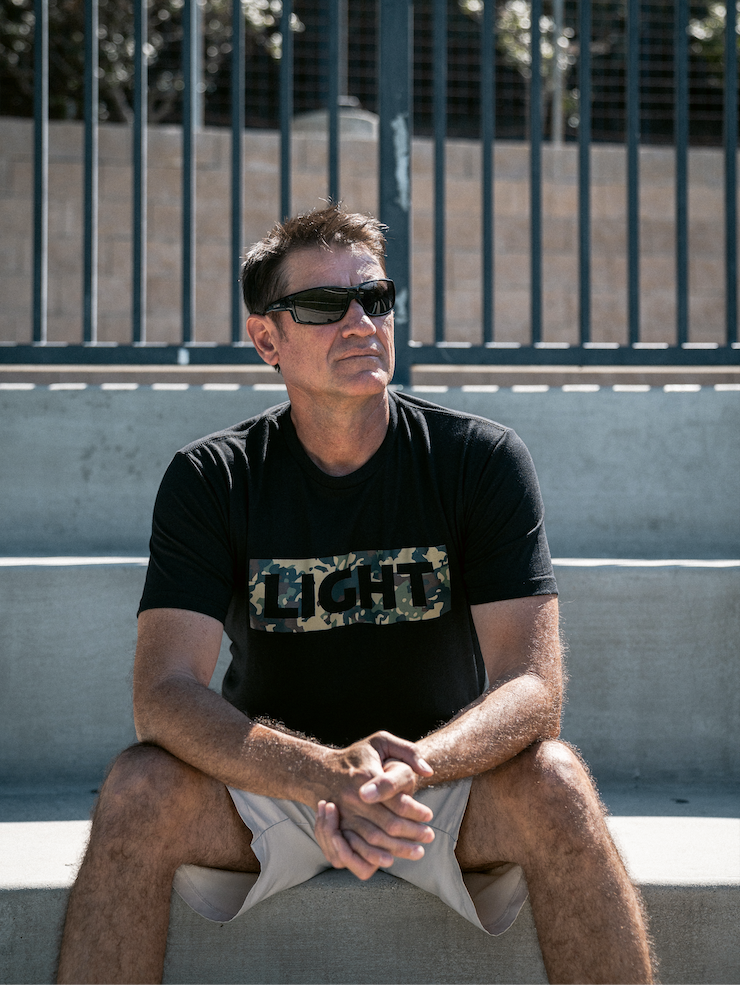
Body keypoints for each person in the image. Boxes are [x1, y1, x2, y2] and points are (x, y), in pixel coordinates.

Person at [57, 204, 654, 984]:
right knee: (137, 787)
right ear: (266, 337)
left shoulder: (478, 459)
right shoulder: (213, 477)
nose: (358, 322)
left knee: (557, 780)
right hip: (274, 786)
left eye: (373, 299)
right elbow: (163, 694)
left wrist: (409, 770)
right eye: (320, 305)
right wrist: (322, 772)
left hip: (433, 789)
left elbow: (533, 686)